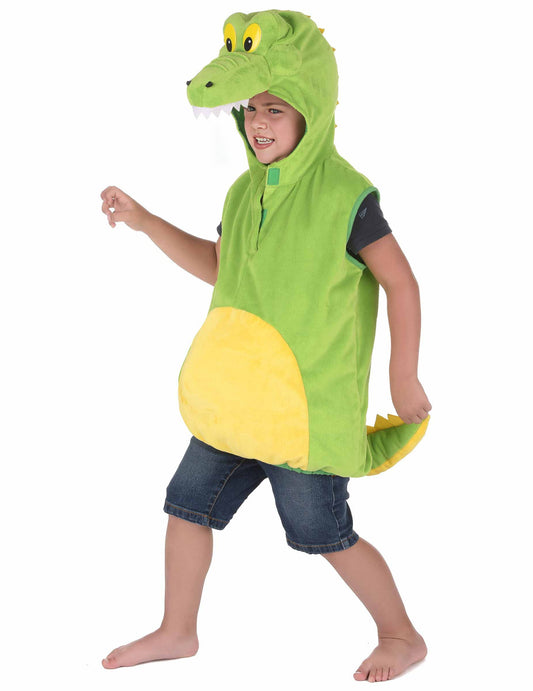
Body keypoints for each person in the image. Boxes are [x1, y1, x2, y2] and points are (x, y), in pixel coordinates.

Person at [100, 10, 431, 683]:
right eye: (251, 109)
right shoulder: (244, 189)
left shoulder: (346, 196)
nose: (258, 122)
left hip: (303, 416)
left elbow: (400, 281)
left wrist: (404, 376)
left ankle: (401, 634)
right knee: (186, 506)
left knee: (322, 533)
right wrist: (145, 222)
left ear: (310, 109)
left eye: (275, 109)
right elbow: (221, 267)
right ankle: (177, 630)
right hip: (234, 404)